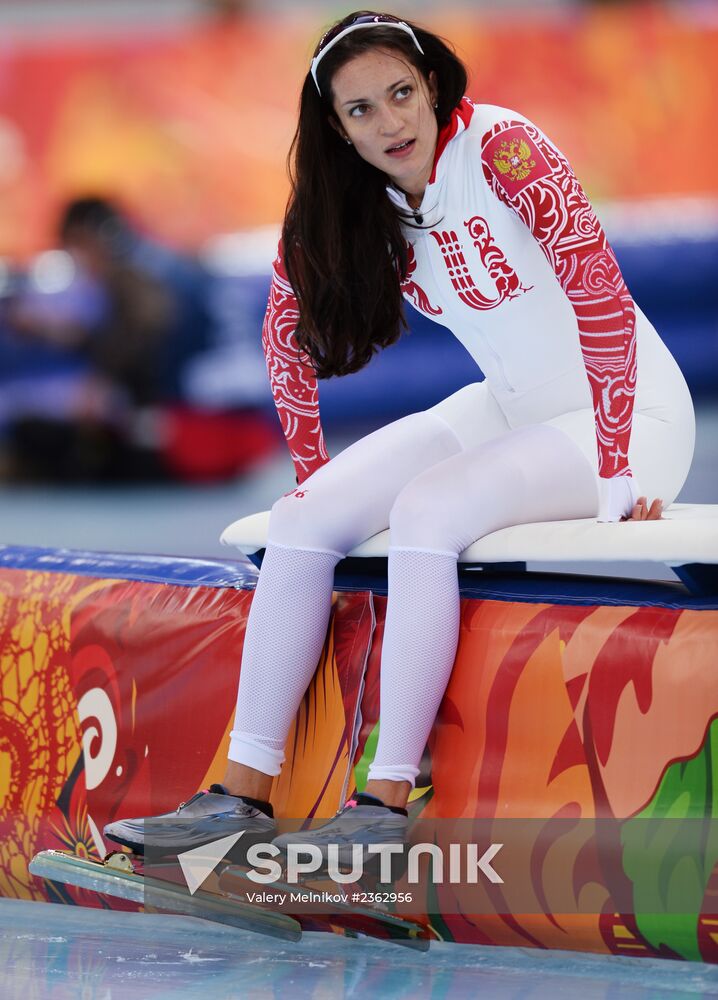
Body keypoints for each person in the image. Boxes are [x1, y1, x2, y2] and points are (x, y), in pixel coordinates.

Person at [105, 12, 694, 859]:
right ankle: (240, 796)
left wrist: (612, 463)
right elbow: (282, 329)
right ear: (336, 129)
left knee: (428, 511)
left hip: (633, 416)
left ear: (430, 86)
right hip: (512, 403)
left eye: (401, 94)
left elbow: (599, 293)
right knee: (302, 518)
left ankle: (384, 803)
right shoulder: (353, 204)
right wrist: (312, 470)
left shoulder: (505, 150)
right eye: (361, 111)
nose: (391, 123)